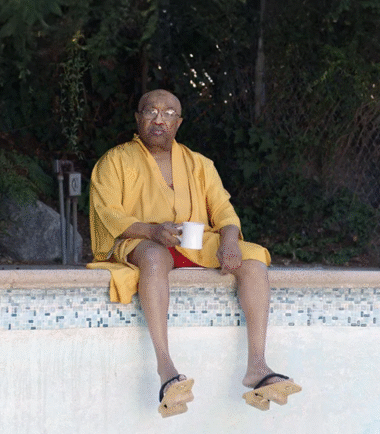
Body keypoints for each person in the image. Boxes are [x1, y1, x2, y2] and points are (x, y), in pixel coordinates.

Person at [87, 89, 301, 417]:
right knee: (155, 257)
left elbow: (224, 213)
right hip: (138, 241)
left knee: (254, 257)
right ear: (138, 118)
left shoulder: (198, 164)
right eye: (151, 112)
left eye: (168, 113)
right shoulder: (115, 161)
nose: (159, 119)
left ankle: (257, 367)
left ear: (179, 121)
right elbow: (110, 214)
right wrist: (151, 230)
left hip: (194, 242)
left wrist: (229, 242)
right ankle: (166, 370)